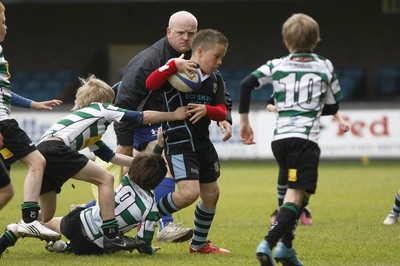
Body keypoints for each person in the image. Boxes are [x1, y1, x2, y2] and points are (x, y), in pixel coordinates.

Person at [0, 74, 190, 257]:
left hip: (46, 152)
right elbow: (142, 117)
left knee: (46, 216)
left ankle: (11, 233)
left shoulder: (85, 125)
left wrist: (141, 164)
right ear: (105, 101)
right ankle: (112, 234)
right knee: (105, 179)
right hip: (56, 149)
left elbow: (112, 157)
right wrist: (173, 115)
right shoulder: (101, 108)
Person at [113, 10, 233, 243]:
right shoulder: (151, 59)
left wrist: (223, 116)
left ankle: (162, 225)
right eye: (181, 33)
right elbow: (124, 102)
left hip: (175, 122)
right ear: (169, 32)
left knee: (158, 171)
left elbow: (218, 93)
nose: (186, 38)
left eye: (191, 33)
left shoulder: (202, 55)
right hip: (140, 119)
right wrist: (124, 143)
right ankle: (150, 222)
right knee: (148, 170)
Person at [239, 13, 345, 265]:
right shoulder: (324, 65)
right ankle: (270, 243)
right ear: (316, 40)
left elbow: (246, 84)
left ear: (286, 42)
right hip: (304, 140)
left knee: (301, 192)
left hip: (281, 141)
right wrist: (311, 106)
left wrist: (244, 123)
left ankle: (287, 248)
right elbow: (332, 106)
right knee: (296, 196)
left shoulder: (277, 64)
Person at [3, 136, 168, 256]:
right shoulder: (151, 209)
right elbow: (143, 242)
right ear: (158, 180)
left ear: (135, 170)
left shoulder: (127, 181)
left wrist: (159, 145)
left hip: (76, 222)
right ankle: (65, 247)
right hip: (91, 245)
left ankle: (16, 230)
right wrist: (148, 250)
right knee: (111, 245)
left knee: (48, 222)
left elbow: (147, 165)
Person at [146, 28, 231, 254]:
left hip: (203, 144)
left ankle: (199, 245)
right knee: (187, 194)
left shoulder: (215, 79)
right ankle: (147, 215)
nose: (220, 61)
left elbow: (222, 110)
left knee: (212, 194)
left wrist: (207, 110)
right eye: (217, 56)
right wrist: (172, 65)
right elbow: (150, 83)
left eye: (222, 57)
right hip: (179, 143)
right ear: (200, 51)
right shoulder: (176, 72)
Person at [0, 1, 63, 243]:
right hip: (3, 123)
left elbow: (4, 92)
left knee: (5, 181)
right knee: (37, 161)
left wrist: (33, 104)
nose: (6, 27)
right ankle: (29, 221)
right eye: (3, 22)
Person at [266, 97, 350, 226]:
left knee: (300, 174)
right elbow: (269, 103)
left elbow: (329, 106)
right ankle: (284, 210)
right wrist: (275, 108)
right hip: (282, 136)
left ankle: (298, 208)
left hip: (303, 139)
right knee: (287, 171)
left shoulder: (311, 90)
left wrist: (341, 120)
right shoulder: (286, 84)